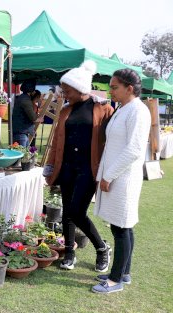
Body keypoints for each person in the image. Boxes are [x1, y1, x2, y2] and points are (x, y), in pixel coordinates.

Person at [43, 60, 114, 272]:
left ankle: (102, 248)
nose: (64, 94)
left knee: (77, 211)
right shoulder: (65, 111)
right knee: (66, 212)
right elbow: (57, 140)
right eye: (63, 90)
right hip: (67, 167)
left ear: (81, 88)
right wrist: (50, 164)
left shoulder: (103, 109)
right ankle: (69, 252)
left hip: (89, 168)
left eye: (68, 90)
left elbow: (112, 140)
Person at [91, 69, 151, 294]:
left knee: (121, 227)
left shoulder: (138, 110)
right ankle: (124, 272)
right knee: (123, 226)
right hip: (117, 174)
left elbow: (134, 149)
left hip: (123, 177)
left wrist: (108, 176)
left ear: (130, 89)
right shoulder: (123, 109)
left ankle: (116, 279)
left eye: (114, 87)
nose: (110, 91)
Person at [12, 79, 40, 146]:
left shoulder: (22, 98)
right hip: (21, 132)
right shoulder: (26, 100)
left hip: (21, 132)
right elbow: (33, 117)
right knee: (22, 154)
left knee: (25, 154)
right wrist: (39, 118)